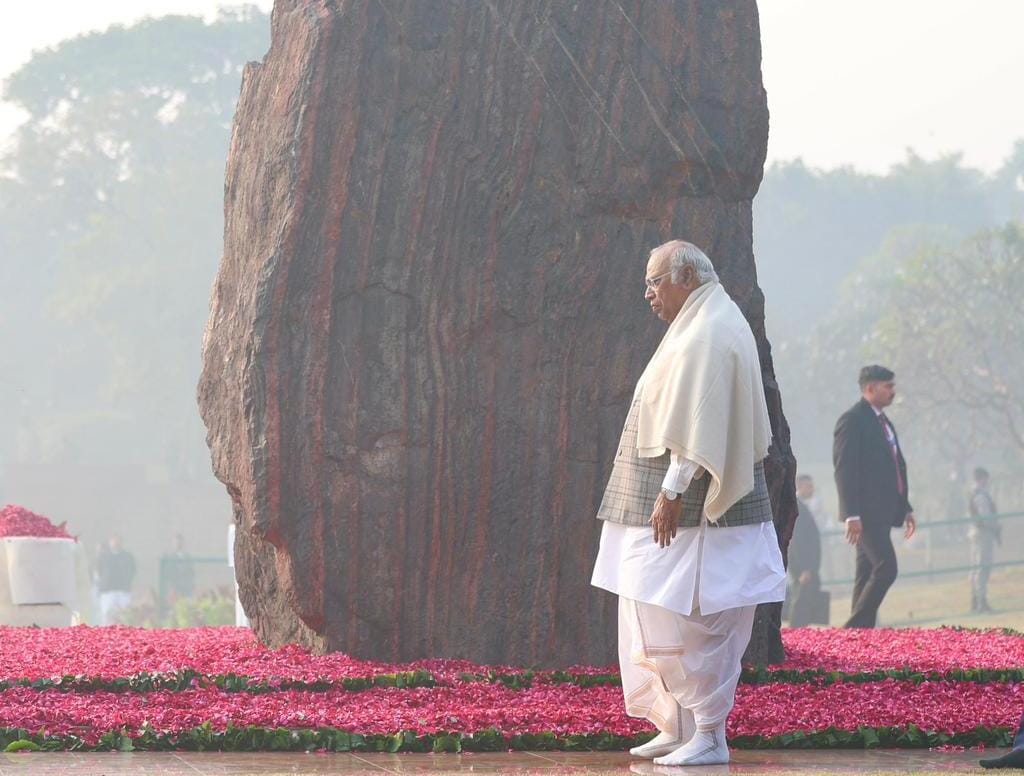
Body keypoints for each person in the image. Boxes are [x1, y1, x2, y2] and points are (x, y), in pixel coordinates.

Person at [591, 240, 786, 767]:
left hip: (696, 515)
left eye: (655, 281)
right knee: (648, 607)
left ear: (685, 277)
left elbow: (701, 425)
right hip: (667, 510)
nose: (649, 293)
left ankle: (708, 731)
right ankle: (675, 724)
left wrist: (672, 492)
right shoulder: (701, 321)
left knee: (696, 621)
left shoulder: (709, 331)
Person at [833, 365, 916, 629]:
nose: (893, 391)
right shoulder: (853, 420)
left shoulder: (883, 421)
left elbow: (892, 467)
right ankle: (854, 628)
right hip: (865, 513)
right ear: (870, 388)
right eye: (887, 386)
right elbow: (844, 469)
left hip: (884, 510)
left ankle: (859, 638)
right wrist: (851, 514)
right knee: (886, 567)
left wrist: (906, 507)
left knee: (866, 571)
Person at [786, 487, 825, 627]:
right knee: (801, 601)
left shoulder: (800, 506)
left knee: (806, 599)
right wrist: (806, 568)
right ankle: (796, 633)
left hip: (805, 565)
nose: (811, 489)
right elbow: (799, 539)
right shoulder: (797, 507)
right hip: (803, 566)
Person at [968, 467, 1001, 613]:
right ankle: (981, 602)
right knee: (983, 568)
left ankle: (976, 600)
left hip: (977, 534)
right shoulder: (981, 495)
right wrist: (995, 527)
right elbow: (986, 517)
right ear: (981, 478)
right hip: (983, 534)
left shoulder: (975, 493)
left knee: (977, 568)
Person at [96, 535, 136, 625]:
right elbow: (99, 571)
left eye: (118, 541)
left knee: (125, 617)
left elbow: (132, 571)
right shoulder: (104, 556)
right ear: (110, 542)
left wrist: (127, 581)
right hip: (107, 591)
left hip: (123, 591)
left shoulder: (128, 556)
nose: (115, 543)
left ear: (121, 542)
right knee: (106, 616)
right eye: (113, 541)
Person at [163, 533, 196, 605]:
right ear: (173, 543)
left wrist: (190, 585)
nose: (178, 544)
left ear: (183, 543)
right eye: (176, 542)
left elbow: (191, 573)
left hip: (186, 589)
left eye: (180, 542)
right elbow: (167, 574)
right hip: (174, 588)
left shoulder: (188, 557)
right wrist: (171, 586)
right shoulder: (168, 558)